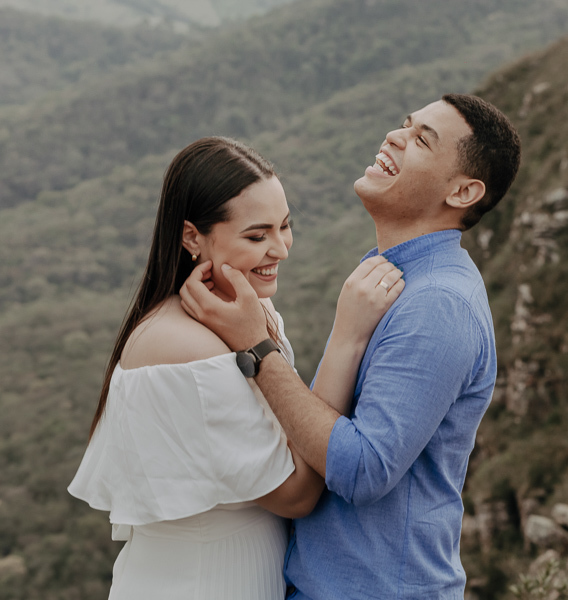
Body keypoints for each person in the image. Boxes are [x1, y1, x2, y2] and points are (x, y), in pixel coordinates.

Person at [180, 94, 520, 599]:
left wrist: (256, 346)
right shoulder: (389, 273)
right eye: (405, 125)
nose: (395, 137)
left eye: (422, 139)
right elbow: (320, 427)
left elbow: (362, 470)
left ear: (463, 190)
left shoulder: (438, 304)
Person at [68, 136, 404, 600]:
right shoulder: (185, 349)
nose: (281, 248)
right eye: (256, 235)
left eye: (285, 226)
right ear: (192, 237)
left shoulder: (243, 315)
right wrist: (346, 338)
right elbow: (299, 494)